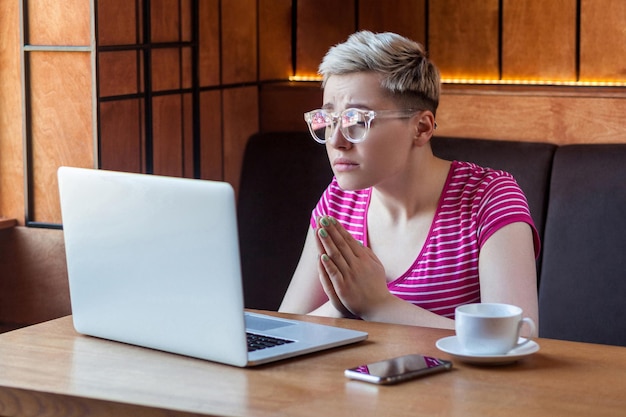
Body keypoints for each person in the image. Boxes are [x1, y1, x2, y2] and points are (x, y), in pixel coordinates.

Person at [278, 31, 539, 330]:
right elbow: (286, 330)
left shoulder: (489, 198)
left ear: (422, 127)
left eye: (357, 121)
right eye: (329, 120)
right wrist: (341, 306)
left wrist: (379, 305)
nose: (336, 141)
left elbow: (518, 338)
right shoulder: (337, 202)